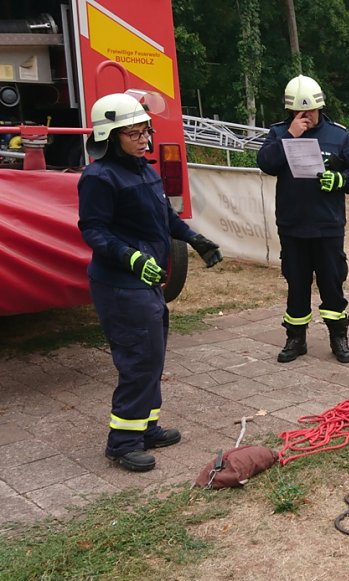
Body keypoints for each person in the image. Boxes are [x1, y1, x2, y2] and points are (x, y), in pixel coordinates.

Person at [78, 92, 223, 472]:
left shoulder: (146, 169)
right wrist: (131, 257)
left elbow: (165, 218)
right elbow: (93, 231)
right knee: (139, 359)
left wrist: (196, 239)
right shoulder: (99, 177)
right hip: (120, 285)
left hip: (148, 282)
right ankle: (122, 442)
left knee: (153, 355)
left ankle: (145, 426)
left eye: (146, 131)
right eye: (135, 133)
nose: (145, 139)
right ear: (110, 136)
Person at [257, 74, 349, 364]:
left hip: (328, 226)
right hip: (293, 226)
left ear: (321, 106)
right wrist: (289, 136)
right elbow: (266, 163)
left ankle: (338, 336)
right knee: (296, 283)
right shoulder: (279, 133)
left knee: (332, 283)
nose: (307, 117)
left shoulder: (338, 135)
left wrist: (340, 179)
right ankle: (295, 339)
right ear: (290, 111)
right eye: (300, 113)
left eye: (311, 111)